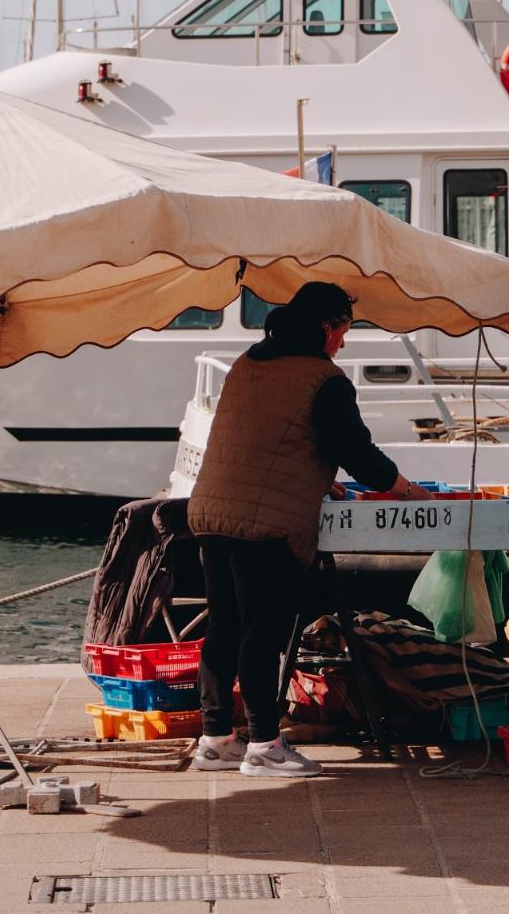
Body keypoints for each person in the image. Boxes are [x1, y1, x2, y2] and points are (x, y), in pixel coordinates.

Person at [185, 281, 431, 778]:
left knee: (224, 625)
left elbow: (271, 438)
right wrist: (408, 490)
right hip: (267, 523)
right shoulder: (324, 378)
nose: (344, 341)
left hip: (211, 511)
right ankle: (264, 745)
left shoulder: (248, 362)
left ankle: (215, 740)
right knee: (261, 632)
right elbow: (358, 454)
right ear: (326, 326)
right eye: (344, 329)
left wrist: (322, 479)